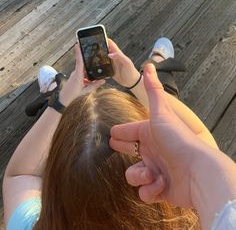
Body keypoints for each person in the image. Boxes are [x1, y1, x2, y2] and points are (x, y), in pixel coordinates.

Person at [2, 37, 233, 229]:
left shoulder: (32, 225)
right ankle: (156, 65)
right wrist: (136, 81)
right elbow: (199, 138)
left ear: (55, 186)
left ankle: (56, 89)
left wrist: (64, 100)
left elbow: (21, 174)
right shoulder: (196, 216)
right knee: (165, 95)